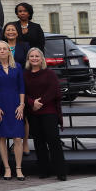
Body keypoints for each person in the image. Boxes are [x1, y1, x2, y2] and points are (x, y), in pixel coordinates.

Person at [24, 47, 66, 181]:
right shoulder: (25, 74)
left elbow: (53, 91)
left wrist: (39, 103)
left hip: (48, 111)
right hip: (33, 112)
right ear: (28, 59)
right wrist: (31, 102)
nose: (34, 58)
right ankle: (44, 170)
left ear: (42, 58)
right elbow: (22, 92)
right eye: (32, 56)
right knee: (39, 142)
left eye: (37, 56)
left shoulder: (49, 73)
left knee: (53, 140)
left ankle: (61, 171)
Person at [0, 41, 26, 181]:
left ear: (9, 51)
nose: (2, 51)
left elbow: (21, 87)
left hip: (15, 104)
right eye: (0, 49)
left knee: (17, 137)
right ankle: (7, 168)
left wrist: (21, 105)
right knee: (2, 137)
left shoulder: (17, 67)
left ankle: (18, 168)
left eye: (5, 49)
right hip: (0, 104)